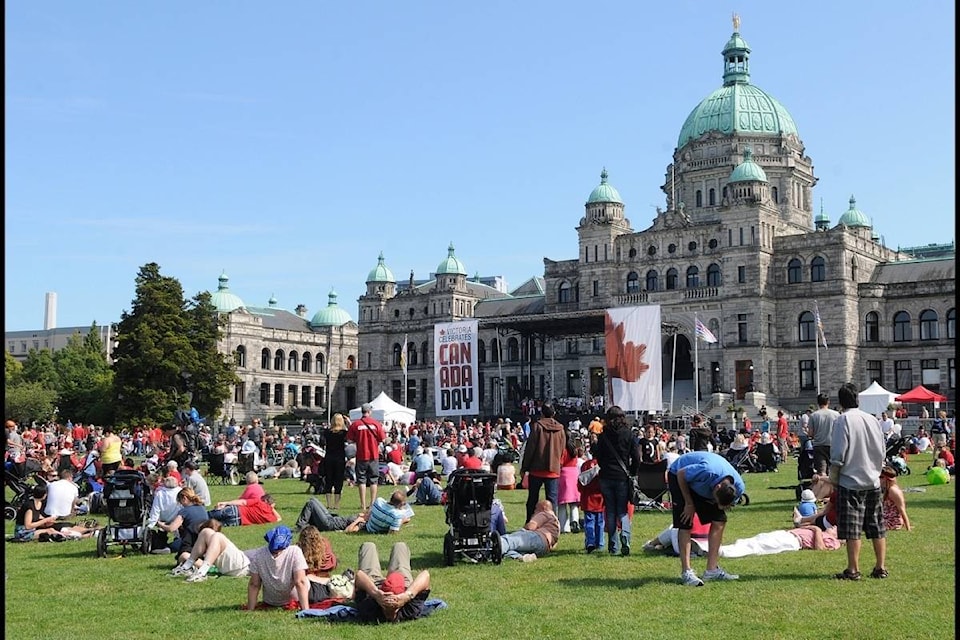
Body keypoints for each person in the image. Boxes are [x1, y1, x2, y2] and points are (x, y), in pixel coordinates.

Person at [829, 382, 888, 580]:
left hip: (850, 480)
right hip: (872, 479)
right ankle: (880, 567)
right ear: (858, 399)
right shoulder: (872, 420)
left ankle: (853, 569)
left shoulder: (842, 420)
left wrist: (833, 478)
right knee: (876, 525)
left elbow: (838, 453)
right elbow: (882, 449)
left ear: (840, 401)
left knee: (852, 528)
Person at [668, 450, 746, 586]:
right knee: (686, 521)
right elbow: (681, 474)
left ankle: (711, 570)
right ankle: (686, 572)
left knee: (720, 520)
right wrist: (689, 503)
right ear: (716, 488)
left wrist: (722, 506)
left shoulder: (739, 487)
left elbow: (725, 504)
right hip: (679, 475)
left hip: (700, 484)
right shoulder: (707, 470)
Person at [592, 405, 640, 556]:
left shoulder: (603, 435)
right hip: (622, 476)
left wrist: (604, 466)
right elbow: (636, 457)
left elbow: (598, 456)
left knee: (610, 511)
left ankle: (613, 546)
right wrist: (632, 471)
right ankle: (625, 535)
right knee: (622, 510)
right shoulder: (628, 434)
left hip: (606, 476)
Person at [353, 541, 431, 623]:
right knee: (400, 547)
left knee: (368, 546)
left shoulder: (369, 609)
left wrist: (375, 593)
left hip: (375, 586)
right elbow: (426, 575)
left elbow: (359, 575)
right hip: (402, 585)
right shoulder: (410, 610)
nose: (390, 602)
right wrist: (407, 595)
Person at [519, 402, 566, 523]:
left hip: (537, 468)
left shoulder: (537, 426)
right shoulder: (560, 429)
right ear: (554, 413)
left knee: (532, 500)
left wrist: (525, 467)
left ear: (541, 413)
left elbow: (530, 449)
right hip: (553, 469)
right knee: (552, 501)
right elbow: (562, 448)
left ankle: (530, 522)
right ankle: (552, 525)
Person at [245, 525, 310, 612]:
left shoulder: (258, 555)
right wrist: (306, 610)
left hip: (270, 601)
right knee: (306, 579)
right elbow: (300, 582)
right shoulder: (294, 551)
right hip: (293, 599)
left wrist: (250, 609)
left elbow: (254, 584)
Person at [170, 518, 252, 581]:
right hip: (229, 567)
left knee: (217, 536)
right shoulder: (205, 535)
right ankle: (186, 566)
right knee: (206, 532)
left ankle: (202, 573)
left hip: (240, 567)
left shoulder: (218, 537)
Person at [13, 484, 99, 542]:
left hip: (31, 530)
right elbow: (28, 525)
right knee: (51, 532)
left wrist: (48, 520)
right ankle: (85, 536)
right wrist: (45, 520)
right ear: (44, 495)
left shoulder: (38, 503)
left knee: (52, 529)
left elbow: (37, 516)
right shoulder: (29, 506)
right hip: (22, 533)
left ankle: (88, 532)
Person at [347, 403, 386, 512]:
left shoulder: (356, 424)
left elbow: (349, 440)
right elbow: (382, 438)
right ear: (369, 411)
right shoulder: (376, 424)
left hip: (361, 455)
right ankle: (372, 503)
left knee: (361, 480)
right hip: (373, 455)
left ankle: (363, 504)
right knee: (374, 479)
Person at [718, 524, 842, 558]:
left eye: (836, 528)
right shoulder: (824, 532)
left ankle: (723, 552)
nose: (833, 526)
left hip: (795, 541)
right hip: (787, 534)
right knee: (757, 539)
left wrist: (817, 530)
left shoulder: (833, 541)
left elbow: (821, 549)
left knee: (759, 546)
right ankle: (718, 548)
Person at [159, 488, 210, 566]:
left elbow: (171, 528)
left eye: (180, 502)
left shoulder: (184, 511)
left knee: (181, 557)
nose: (181, 505)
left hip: (190, 543)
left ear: (184, 498)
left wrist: (160, 524)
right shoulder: (202, 508)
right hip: (205, 543)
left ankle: (201, 565)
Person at [297, 525, 339, 603]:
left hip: (307, 584)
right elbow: (332, 563)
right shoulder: (324, 544)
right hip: (325, 582)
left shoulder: (298, 550)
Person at [147, 474, 183, 553]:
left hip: (163, 518)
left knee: (161, 532)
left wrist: (152, 522)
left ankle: (161, 543)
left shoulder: (160, 493)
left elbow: (156, 508)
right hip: (177, 518)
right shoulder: (180, 491)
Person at [577, 454, 604, 553]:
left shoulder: (585, 465)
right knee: (600, 522)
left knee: (589, 522)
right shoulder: (603, 464)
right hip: (600, 499)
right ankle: (600, 543)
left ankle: (590, 542)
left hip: (587, 499)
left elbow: (580, 482)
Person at [807, 393, 840, 476]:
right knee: (834, 471)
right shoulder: (836, 415)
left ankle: (823, 488)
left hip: (819, 445)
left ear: (818, 403)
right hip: (833, 445)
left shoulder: (813, 415)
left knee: (822, 472)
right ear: (828, 402)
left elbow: (810, 433)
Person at [294, 496, 366, 533]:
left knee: (311, 504)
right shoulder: (364, 516)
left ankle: (300, 526)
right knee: (313, 499)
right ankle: (307, 525)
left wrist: (357, 520)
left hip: (329, 524)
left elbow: (348, 530)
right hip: (331, 517)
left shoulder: (363, 523)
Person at [206, 494, 282, 527]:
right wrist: (272, 508)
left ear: (264, 500)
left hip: (236, 511)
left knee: (207, 515)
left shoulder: (259, 502)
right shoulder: (270, 518)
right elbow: (279, 518)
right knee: (210, 525)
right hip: (237, 522)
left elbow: (243, 502)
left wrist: (226, 503)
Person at [557, 438, 582, 534]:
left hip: (563, 474)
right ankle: (575, 521)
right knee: (574, 503)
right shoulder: (574, 450)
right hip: (574, 474)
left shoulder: (562, 450)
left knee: (562, 503)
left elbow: (560, 463)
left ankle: (564, 527)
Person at [879, 466, 911, 531]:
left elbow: (902, 509)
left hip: (892, 521)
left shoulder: (893, 491)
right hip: (886, 518)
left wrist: (908, 527)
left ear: (888, 479)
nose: (879, 480)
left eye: (881, 477)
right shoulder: (888, 489)